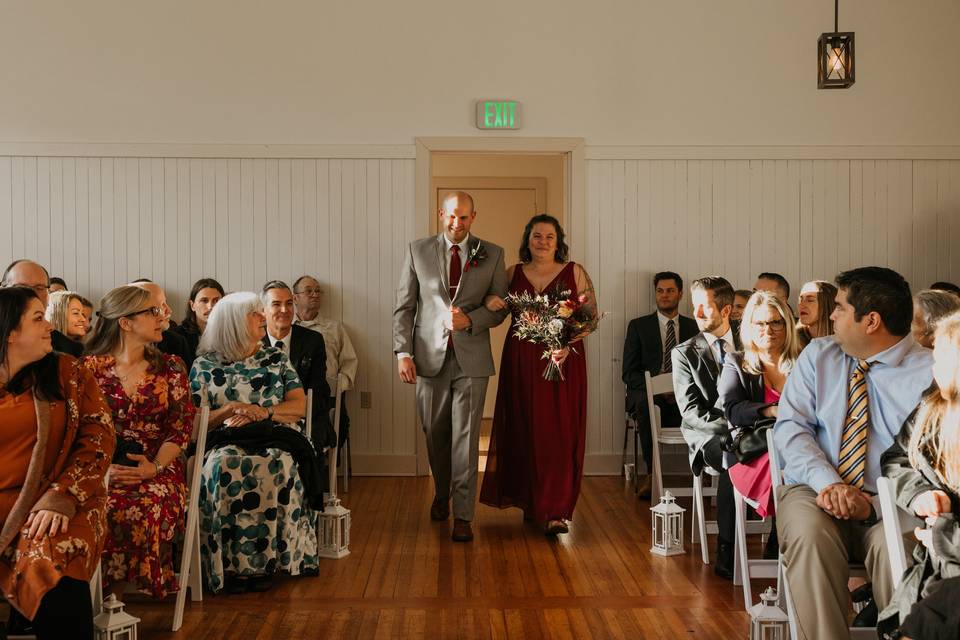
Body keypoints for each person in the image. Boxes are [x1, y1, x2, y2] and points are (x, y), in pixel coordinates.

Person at [773, 266, 933, 640]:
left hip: (895, 503)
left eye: (841, 307)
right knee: (809, 535)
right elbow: (791, 429)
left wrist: (875, 506)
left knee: (900, 546)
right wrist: (830, 484)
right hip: (815, 490)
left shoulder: (930, 372)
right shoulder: (818, 355)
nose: (831, 315)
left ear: (871, 321)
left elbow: (928, 460)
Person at [393, 191, 509, 542]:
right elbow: (405, 307)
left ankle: (463, 515)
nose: (457, 223)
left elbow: (501, 307)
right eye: (451, 216)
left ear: (474, 216)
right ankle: (441, 492)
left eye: (464, 217)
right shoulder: (417, 250)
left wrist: (471, 320)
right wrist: (403, 353)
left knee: (466, 438)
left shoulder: (493, 253)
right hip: (428, 358)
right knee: (435, 433)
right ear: (440, 214)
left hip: (472, 361)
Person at [0, 286, 114, 640]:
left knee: (51, 557)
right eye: (38, 318)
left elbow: (100, 437)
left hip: (60, 502)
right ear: (9, 332)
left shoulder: (69, 373)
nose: (50, 325)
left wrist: (63, 495)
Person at [189, 292, 316, 593]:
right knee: (222, 465)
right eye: (255, 314)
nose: (263, 318)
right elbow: (194, 423)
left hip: (273, 434)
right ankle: (227, 565)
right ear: (233, 322)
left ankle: (269, 561)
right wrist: (231, 409)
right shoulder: (204, 365)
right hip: (223, 439)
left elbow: (298, 407)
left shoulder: (275, 358)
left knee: (277, 462)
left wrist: (264, 412)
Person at [480, 214, 599, 535]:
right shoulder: (512, 273)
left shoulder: (575, 271)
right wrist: (492, 300)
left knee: (558, 432)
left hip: (563, 361)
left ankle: (557, 509)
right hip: (521, 360)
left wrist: (566, 343)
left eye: (549, 237)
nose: (543, 242)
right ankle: (532, 500)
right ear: (527, 240)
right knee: (524, 428)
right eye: (537, 236)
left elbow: (590, 318)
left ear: (558, 241)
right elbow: (501, 308)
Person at [83, 286, 195, 599]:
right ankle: (89, 598)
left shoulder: (171, 368)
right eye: (153, 311)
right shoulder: (88, 370)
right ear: (126, 322)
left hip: (160, 467)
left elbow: (180, 429)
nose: (163, 317)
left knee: (144, 506)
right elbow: (81, 430)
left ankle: (107, 601)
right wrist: (105, 470)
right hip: (103, 468)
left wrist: (155, 467)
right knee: (93, 506)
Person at [879, 311, 960, 638]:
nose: (933, 369)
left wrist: (944, 535)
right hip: (940, 569)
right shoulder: (934, 409)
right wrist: (918, 492)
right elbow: (896, 458)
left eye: (940, 360)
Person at [718, 290, 801, 557]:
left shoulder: (804, 362)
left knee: (799, 460)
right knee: (791, 465)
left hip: (799, 447)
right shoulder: (736, 362)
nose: (769, 329)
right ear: (750, 326)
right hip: (753, 453)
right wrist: (771, 410)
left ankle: (787, 536)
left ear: (787, 325)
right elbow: (733, 410)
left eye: (776, 322)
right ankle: (783, 534)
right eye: (761, 323)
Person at [672, 276, 741, 578]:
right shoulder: (684, 353)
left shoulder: (752, 338)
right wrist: (736, 425)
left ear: (726, 311)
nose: (696, 314)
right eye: (695, 306)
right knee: (732, 460)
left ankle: (776, 543)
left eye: (705, 307)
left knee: (783, 458)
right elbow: (691, 413)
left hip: (755, 428)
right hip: (710, 436)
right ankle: (727, 547)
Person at [622, 271, 698, 498]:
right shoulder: (638, 326)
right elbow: (628, 373)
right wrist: (658, 387)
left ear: (680, 294)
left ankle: (706, 472)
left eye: (670, 291)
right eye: (660, 291)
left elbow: (700, 370)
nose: (664, 296)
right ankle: (651, 474)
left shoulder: (694, 327)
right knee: (646, 406)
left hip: (684, 397)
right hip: (649, 395)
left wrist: (680, 391)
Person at [261, 280, 334, 450]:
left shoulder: (313, 340)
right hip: (264, 419)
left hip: (306, 418)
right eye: (276, 304)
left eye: (289, 303)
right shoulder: (253, 341)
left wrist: (292, 413)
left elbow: (317, 390)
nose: (285, 310)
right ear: (263, 310)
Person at [293, 274, 358, 448]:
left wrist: (338, 387)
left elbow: (349, 362)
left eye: (317, 291)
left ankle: (326, 470)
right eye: (308, 291)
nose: (315, 294)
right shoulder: (287, 328)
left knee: (340, 427)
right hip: (293, 394)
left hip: (327, 396)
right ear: (295, 298)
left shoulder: (334, 328)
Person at [1, 259, 81, 357]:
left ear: (49, 295)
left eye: (39, 288)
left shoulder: (70, 351)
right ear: (3, 289)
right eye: (20, 287)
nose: (31, 294)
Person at [130, 279, 192, 367]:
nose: (169, 311)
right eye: (155, 309)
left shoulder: (177, 342)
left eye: (165, 303)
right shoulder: (108, 360)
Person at [172, 277, 224, 365]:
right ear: (192, 306)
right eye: (204, 300)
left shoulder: (231, 334)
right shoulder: (177, 337)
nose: (210, 307)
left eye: (216, 301)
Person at [796, 280, 838, 345]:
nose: (801, 305)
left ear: (827, 305)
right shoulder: (791, 342)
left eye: (810, 300)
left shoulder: (844, 343)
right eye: (800, 300)